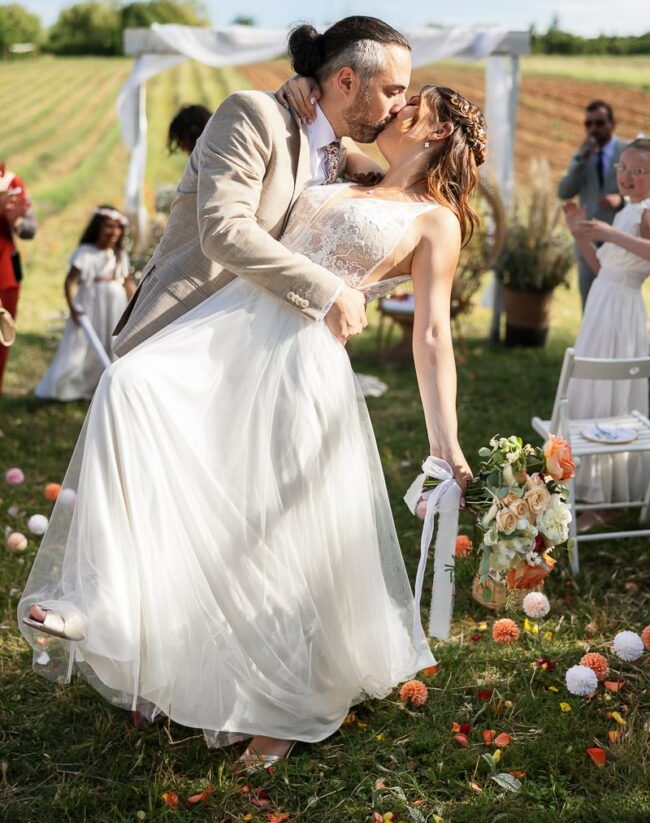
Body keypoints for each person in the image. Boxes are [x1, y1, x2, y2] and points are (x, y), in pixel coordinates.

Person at [19, 80, 484, 772]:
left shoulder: (432, 220)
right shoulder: (342, 166)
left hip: (299, 361)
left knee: (275, 530)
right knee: (130, 389)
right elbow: (291, 140)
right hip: (226, 334)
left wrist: (446, 443)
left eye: (411, 103)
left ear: (439, 131)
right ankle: (111, 604)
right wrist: (294, 87)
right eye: (393, 91)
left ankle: (284, 707)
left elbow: (432, 336)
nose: (395, 107)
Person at [112, 16, 413, 357]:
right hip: (181, 331)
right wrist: (329, 292)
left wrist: (357, 156)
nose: (400, 106)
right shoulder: (252, 115)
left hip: (258, 349)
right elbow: (225, 230)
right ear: (346, 81)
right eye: (393, 91)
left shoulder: (337, 148)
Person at [563, 137, 650, 522]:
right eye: (623, 169)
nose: (627, 176)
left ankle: (604, 500)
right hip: (602, 305)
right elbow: (604, 269)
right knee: (589, 387)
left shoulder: (646, 212)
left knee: (611, 394)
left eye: (638, 171)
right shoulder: (629, 213)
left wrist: (608, 232)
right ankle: (583, 481)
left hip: (623, 314)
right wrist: (579, 232)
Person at [35, 206, 135, 401]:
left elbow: (127, 281)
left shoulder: (119, 255)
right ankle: (72, 385)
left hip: (114, 304)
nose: (113, 232)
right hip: (90, 303)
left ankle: (105, 385)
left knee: (110, 339)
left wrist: (136, 302)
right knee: (85, 343)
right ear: (98, 227)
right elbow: (69, 281)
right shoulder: (85, 252)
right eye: (108, 226)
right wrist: (73, 308)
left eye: (118, 227)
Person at [557, 101, 627, 310]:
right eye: (588, 124)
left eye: (599, 123)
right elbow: (564, 192)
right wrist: (579, 161)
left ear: (613, 124)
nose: (593, 129)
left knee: (619, 306)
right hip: (589, 242)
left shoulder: (628, 151)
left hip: (621, 238)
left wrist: (621, 200)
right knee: (590, 307)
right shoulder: (582, 156)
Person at [0, 161, 36, 396]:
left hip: (6, 275)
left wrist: (17, 220)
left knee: (2, 339)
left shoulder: (11, 180)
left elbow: (30, 230)